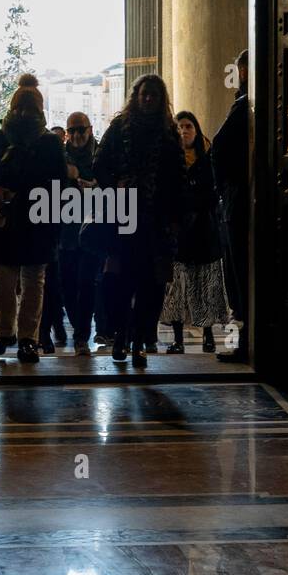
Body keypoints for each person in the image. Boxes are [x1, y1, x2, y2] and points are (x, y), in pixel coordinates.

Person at [93, 74, 186, 369]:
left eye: (154, 95)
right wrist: (116, 184)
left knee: (151, 285)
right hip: (123, 216)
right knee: (118, 282)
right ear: (136, 96)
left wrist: (175, 217)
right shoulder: (120, 127)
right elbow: (99, 164)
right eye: (144, 94)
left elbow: (178, 178)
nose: (148, 99)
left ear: (161, 100)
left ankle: (141, 340)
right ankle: (121, 333)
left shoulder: (169, 133)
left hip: (155, 220)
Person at [0, 79, 67, 364]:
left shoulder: (49, 142)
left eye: (29, 108)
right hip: (7, 222)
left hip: (36, 223)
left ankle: (28, 337)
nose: (25, 113)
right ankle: (6, 333)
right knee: (4, 281)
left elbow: (60, 184)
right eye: (21, 107)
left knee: (32, 283)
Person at [161, 111, 230, 353]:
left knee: (205, 286)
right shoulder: (171, 160)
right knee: (177, 287)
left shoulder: (208, 158)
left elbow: (213, 192)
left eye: (188, 126)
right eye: (179, 127)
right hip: (179, 234)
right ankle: (178, 339)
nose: (184, 131)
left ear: (196, 129)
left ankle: (208, 335)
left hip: (203, 231)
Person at [211, 48, 249, 360]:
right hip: (240, 197)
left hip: (239, 200)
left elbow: (218, 151)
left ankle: (245, 339)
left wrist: (224, 191)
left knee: (238, 271)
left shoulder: (243, 107)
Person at [58, 112, 101, 354]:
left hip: (93, 229)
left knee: (86, 283)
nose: (76, 135)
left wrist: (94, 186)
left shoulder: (100, 155)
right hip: (67, 229)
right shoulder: (59, 156)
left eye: (80, 130)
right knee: (68, 284)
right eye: (72, 130)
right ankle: (79, 328)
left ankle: (82, 334)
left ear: (90, 129)